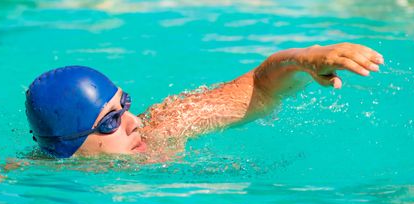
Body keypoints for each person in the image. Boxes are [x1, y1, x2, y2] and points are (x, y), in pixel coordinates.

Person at [27, 42, 383, 159]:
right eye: (109, 121)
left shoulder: (163, 127)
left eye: (126, 105)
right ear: (65, 147)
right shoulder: (42, 176)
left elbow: (257, 88)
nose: (133, 121)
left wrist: (306, 59)